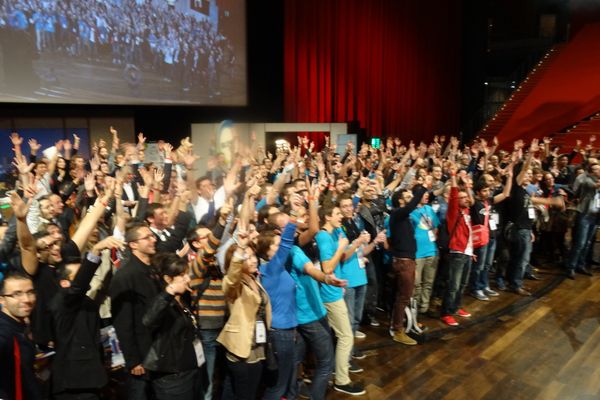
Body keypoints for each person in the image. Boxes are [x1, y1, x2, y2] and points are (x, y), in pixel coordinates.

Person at [50, 237, 125, 399]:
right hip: (75, 381)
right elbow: (78, 286)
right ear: (64, 283)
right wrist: (96, 250)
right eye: (79, 275)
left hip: (91, 375)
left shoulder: (85, 301)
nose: (86, 277)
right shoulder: (64, 300)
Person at [315, 205, 365, 395]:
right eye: (336, 214)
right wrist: (343, 247)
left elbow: (342, 258)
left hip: (337, 290)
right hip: (330, 293)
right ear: (327, 216)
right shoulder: (323, 236)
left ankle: (335, 372)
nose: (340, 217)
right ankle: (341, 380)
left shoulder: (335, 232)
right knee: (346, 336)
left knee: (339, 335)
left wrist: (353, 245)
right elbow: (328, 267)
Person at [109, 222, 161, 400]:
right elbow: (123, 322)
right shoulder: (125, 276)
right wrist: (133, 360)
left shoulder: (153, 269)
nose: (153, 240)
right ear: (133, 244)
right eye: (147, 237)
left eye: (152, 235)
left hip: (159, 349)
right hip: (141, 353)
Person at [218, 231, 271, 400]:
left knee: (241, 391)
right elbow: (231, 278)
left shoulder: (253, 278)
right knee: (245, 394)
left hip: (257, 344)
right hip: (242, 348)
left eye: (253, 255)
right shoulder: (234, 283)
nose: (254, 259)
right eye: (247, 257)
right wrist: (240, 248)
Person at [142, 253, 203, 400]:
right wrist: (168, 293)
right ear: (168, 279)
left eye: (187, 274)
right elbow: (148, 320)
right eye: (182, 275)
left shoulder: (183, 299)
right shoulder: (161, 300)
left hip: (190, 369)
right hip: (172, 377)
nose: (187, 279)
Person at [388, 180, 429, 343]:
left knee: (404, 296)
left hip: (407, 261)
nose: (410, 198)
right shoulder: (398, 214)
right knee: (403, 297)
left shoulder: (402, 216)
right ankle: (398, 330)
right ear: (400, 200)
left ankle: (403, 324)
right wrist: (421, 189)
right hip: (404, 262)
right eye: (407, 196)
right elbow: (411, 206)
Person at [0, 271, 41, 400]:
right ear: (2, 300)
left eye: (30, 292)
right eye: (17, 294)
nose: (27, 300)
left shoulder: (20, 325)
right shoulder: (4, 331)